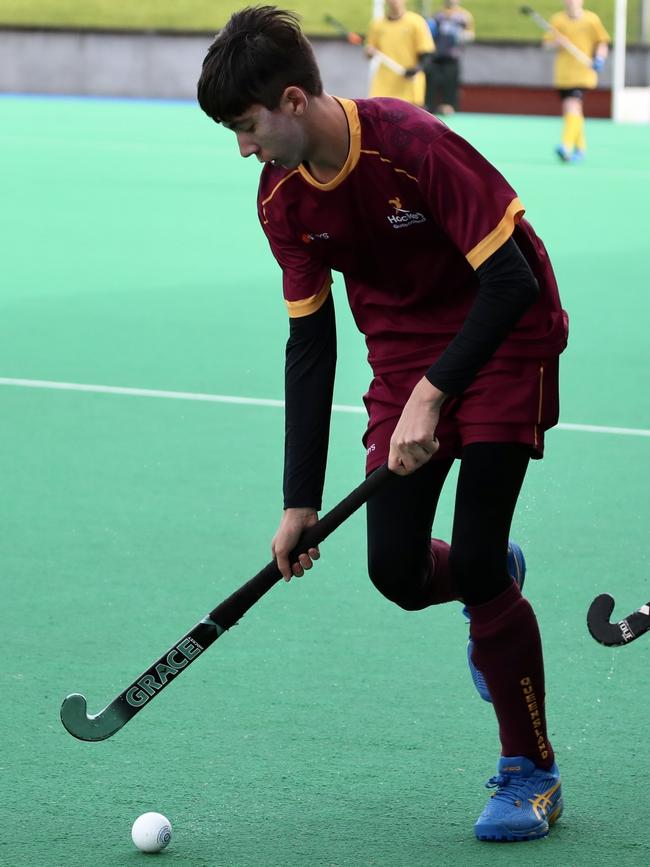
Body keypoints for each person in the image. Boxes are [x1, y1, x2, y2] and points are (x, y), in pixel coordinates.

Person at [197, 6, 568, 843]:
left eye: (248, 127)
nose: (244, 150)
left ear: (293, 100)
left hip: (507, 336)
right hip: (404, 360)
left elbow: (509, 284)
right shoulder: (282, 201)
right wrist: (299, 500)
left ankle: (531, 769)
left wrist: (435, 396)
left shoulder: (414, 144)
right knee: (397, 573)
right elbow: (310, 344)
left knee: (471, 557)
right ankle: (493, 585)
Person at [543, 0, 610, 162]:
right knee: (573, 111)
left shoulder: (591, 20)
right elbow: (546, 44)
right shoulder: (557, 19)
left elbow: (602, 42)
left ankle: (565, 145)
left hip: (583, 73)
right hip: (563, 74)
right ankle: (580, 149)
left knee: (571, 105)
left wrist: (600, 59)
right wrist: (556, 43)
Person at [365, 0, 434, 107]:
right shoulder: (377, 25)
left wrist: (416, 69)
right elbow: (369, 52)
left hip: (410, 86)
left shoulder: (417, 22)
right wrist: (369, 52)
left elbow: (427, 53)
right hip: (383, 86)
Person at [425, 0, 475, 115]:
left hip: (452, 58)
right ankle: (430, 113)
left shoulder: (464, 16)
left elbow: (470, 35)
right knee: (430, 90)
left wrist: (459, 35)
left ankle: (451, 113)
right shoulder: (438, 15)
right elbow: (430, 35)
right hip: (436, 58)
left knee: (450, 92)